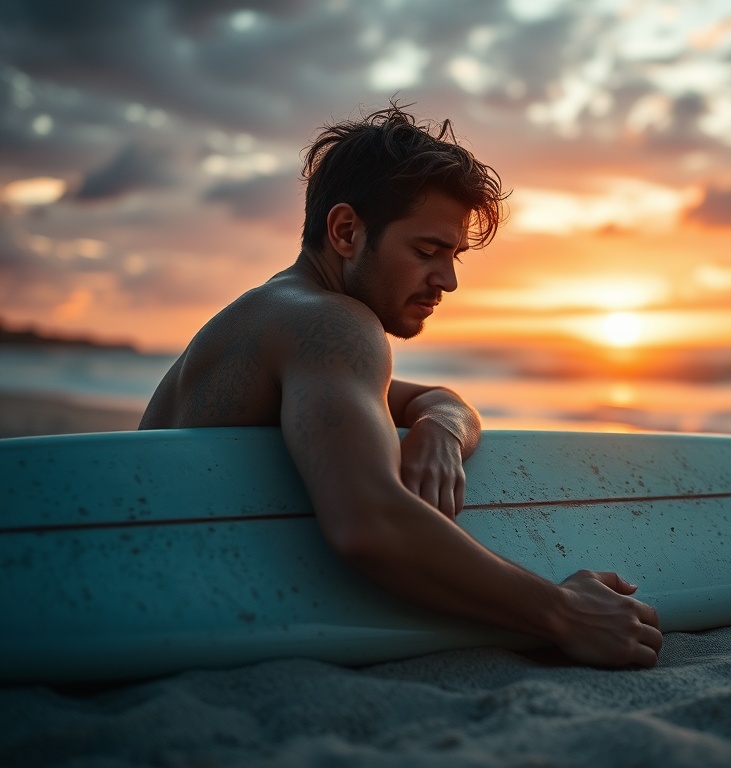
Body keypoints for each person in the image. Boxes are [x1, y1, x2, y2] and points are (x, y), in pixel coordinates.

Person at [139, 105, 662, 668]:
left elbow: (431, 399)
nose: (449, 280)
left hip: (154, 576)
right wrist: (563, 611)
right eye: (425, 251)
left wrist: (441, 426)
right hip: (169, 610)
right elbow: (370, 524)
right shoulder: (332, 323)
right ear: (346, 232)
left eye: (453, 256)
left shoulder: (280, 315)